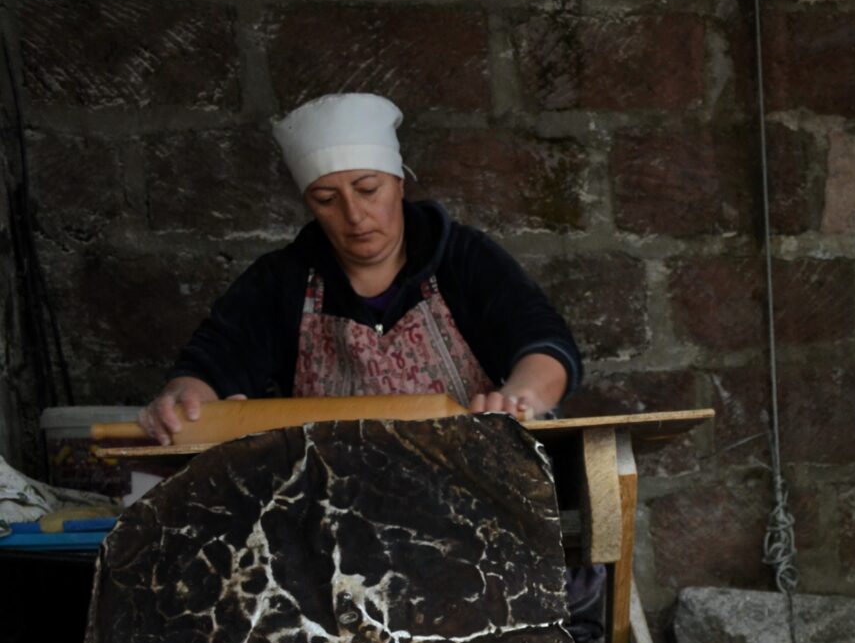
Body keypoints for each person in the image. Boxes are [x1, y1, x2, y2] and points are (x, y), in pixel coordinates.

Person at [138, 93, 580, 444]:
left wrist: (523, 396)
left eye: (368, 190)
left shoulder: (462, 258)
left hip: (471, 495)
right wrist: (185, 399)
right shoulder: (283, 281)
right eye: (327, 200)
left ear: (399, 184)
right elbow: (214, 363)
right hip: (334, 515)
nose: (354, 215)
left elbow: (543, 343)